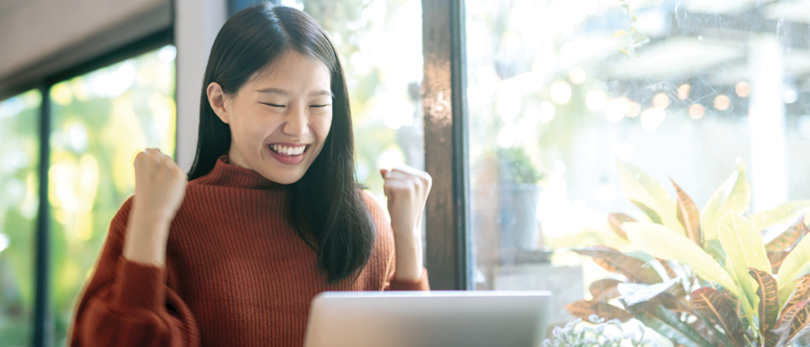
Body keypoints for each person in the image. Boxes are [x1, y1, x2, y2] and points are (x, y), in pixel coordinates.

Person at [68, 3, 431, 346]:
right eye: (275, 104)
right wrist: (149, 222)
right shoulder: (160, 215)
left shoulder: (364, 217)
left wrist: (407, 240)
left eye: (318, 104)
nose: (299, 127)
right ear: (220, 102)